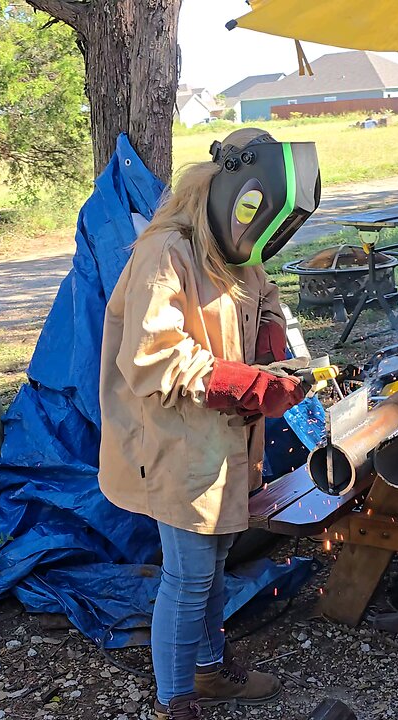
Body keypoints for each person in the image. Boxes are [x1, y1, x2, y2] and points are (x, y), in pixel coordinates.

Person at [97, 127, 322, 720]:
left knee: (216, 559)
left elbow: (264, 295)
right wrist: (243, 383)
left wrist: (274, 337)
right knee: (190, 575)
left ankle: (210, 665)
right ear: (232, 191)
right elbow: (152, 355)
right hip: (177, 440)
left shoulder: (237, 252)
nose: (258, 244)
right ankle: (177, 700)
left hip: (225, 440)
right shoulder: (165, 250)